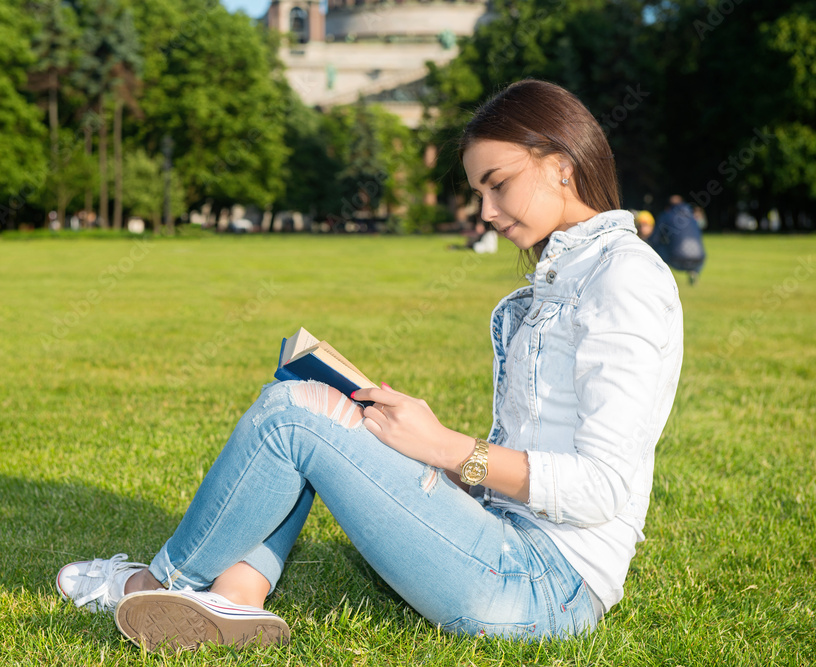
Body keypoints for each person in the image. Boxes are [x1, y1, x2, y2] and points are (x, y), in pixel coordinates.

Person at [56, 79, 684, 652]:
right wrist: (425, 444)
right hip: (506, 540)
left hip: (542, 585)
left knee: (290, 421)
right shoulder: (570, 275)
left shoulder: (623, 277)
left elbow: (602, 487)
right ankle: (237, 597)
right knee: (316, 395)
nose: (486, 212)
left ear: (562, 166)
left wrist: (448, 449)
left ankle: (153, 583)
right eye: (478, 192)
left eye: (497, 182)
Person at [647, 195, 706, 285]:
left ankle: (664, 274)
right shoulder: (692, 216)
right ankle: (694, 272)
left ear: (667, 206)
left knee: (657, 247)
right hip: (699, 259)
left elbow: (655, 238)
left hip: (676, 258)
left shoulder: (666, 215)